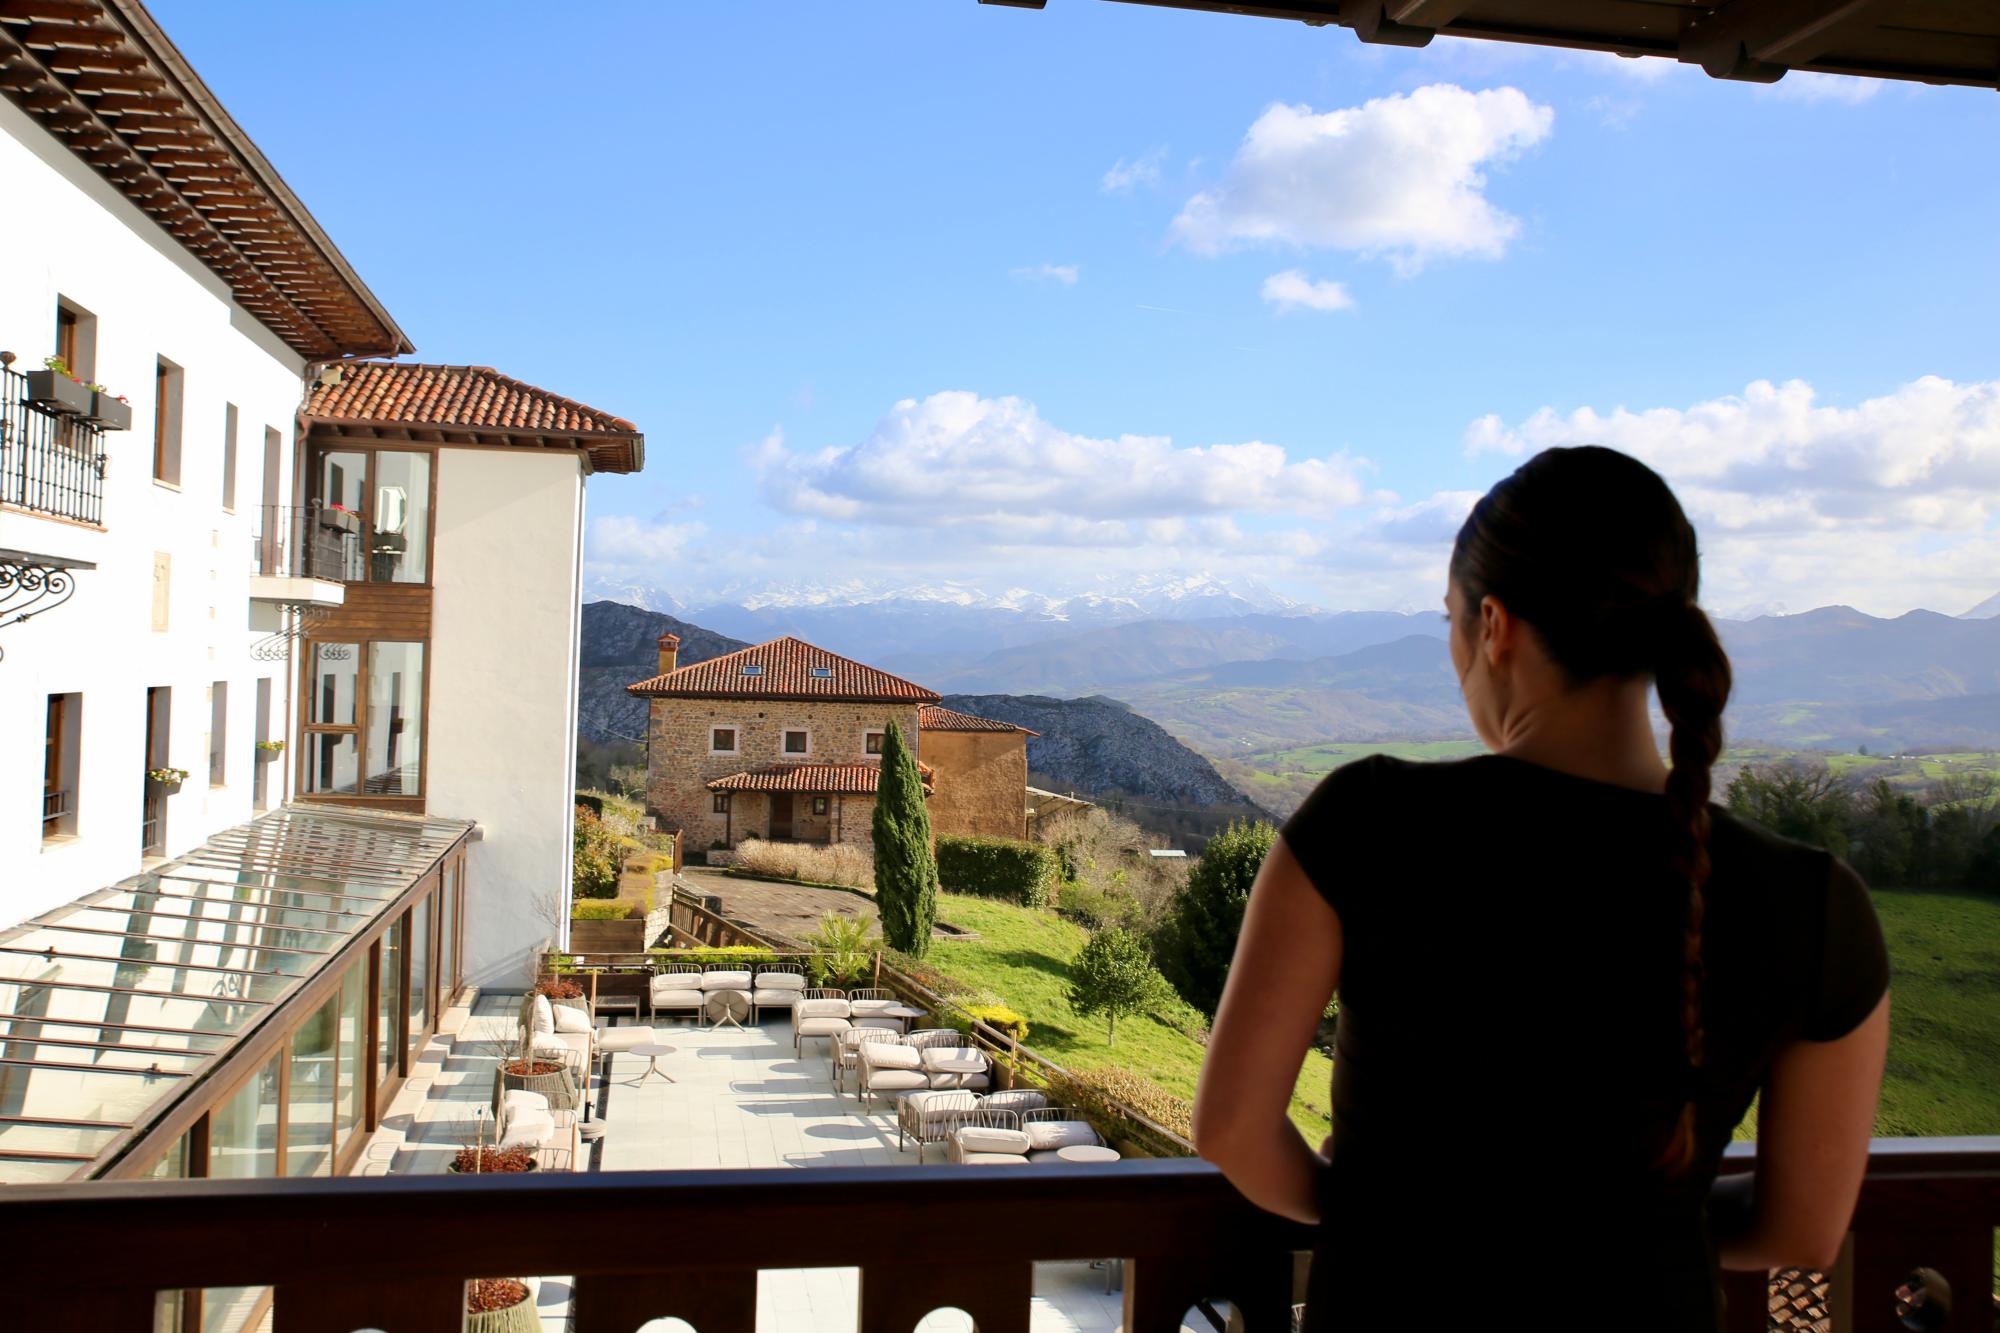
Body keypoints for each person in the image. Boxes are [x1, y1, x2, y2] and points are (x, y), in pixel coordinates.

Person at [1192, 445, 1890, 1331]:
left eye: (1452, 624)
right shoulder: (1817, 903)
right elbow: (1804, 1228)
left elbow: (1230, 1129)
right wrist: (1642, 1216)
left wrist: (1374, 1200)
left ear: (1495, 625)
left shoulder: (1368, 820)